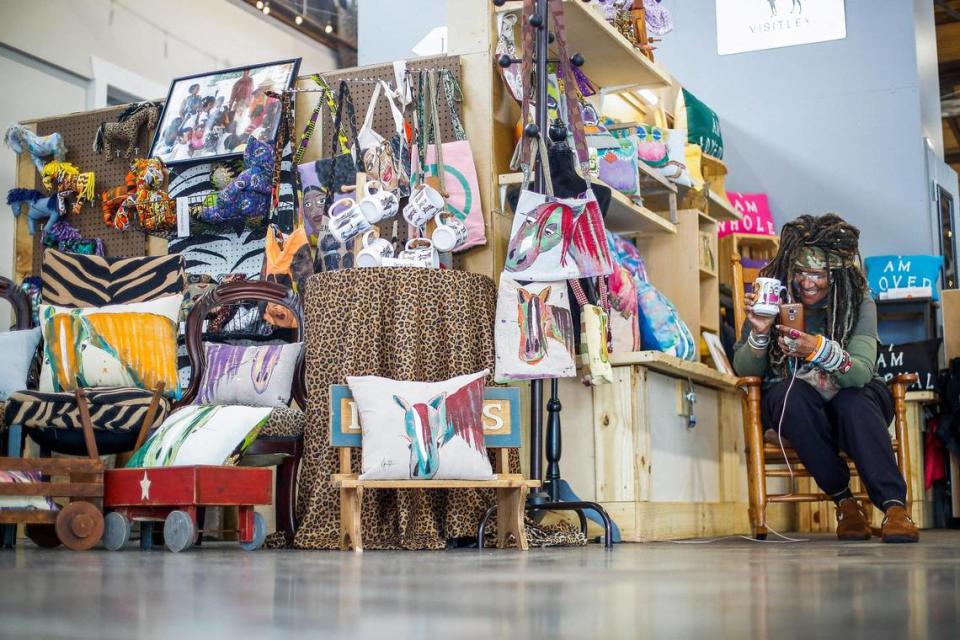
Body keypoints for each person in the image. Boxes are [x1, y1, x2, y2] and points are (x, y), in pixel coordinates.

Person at [732, 213, 919, 543]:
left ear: (836, 274)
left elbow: (860, 372)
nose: (807, 282)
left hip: (856, 397)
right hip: (800, 405)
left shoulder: (858, 300)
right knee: (790, 397)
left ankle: (894, 507)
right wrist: (759, 332)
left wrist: (815, 349)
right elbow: (746, 370)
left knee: (854, 402)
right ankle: (845, 503)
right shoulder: (772, 298)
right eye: (800, 271)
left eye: (818, 274)